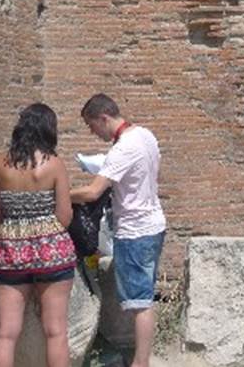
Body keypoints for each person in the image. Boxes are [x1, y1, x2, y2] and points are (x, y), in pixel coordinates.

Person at [71, 94, 165, 367]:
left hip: (135, 231)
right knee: (142, 297)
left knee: (140, 302)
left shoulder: (123, 148)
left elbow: (92, 192)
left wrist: (60, 194)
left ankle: (141, 362)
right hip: (153, 224)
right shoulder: (146, 135)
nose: (93, 132)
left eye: (92, 126)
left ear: (104, 118)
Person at [0, 102, 75, 367]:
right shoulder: (54, 164)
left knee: (6, 334)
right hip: (52, 252)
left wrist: (17, 217)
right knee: (56, 332)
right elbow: (65, 217)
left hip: (10, 252)